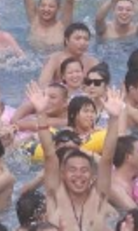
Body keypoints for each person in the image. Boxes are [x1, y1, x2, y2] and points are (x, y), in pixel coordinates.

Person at [28, 81, 123, 231]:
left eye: (84, 170)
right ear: (62, 174)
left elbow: (107, 158)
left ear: (92, 175)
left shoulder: (99, 197)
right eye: (72, 170)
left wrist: (114, 118)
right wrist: (41, 113)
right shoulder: (55, 196)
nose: (79, 175)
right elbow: (49, 154)